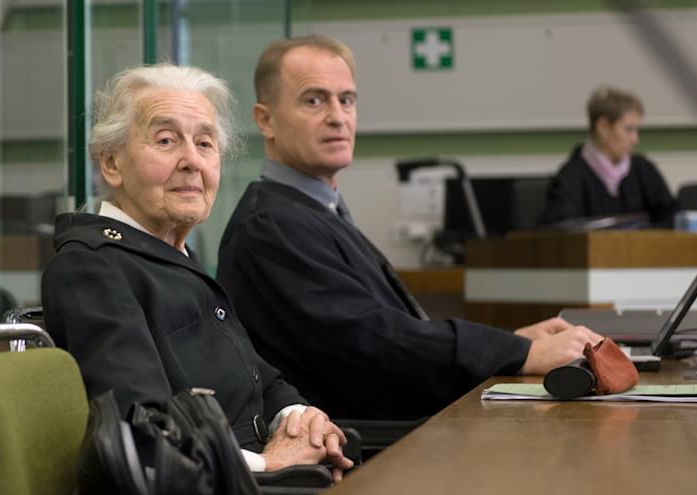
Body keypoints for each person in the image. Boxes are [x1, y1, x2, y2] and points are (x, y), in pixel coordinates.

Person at [217, 36, 603, 421]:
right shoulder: (272, 225)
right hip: (360, 457)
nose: (337, 116)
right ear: (265, 120)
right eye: (314, 100)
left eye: (347, 100)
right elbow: (371, 340)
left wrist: (513, 342)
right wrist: (519, 352)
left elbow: (392, 331)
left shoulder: (311, 210)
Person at [42, 63, 353, 481]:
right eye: (166, 140)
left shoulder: (174, 256)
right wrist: (271, 465)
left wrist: (302, 419)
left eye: (205, 143)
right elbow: (144, 435)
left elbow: (259, 379)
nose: (192, 160)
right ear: (112, 164)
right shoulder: (93, 267)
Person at [542, 86, 677, 225]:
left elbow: (672, 217)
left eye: (637, 130)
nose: (635, 139)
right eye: (629, 129)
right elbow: (560, 229)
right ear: (603, 127)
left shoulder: (643, 170)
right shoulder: (571, 177)